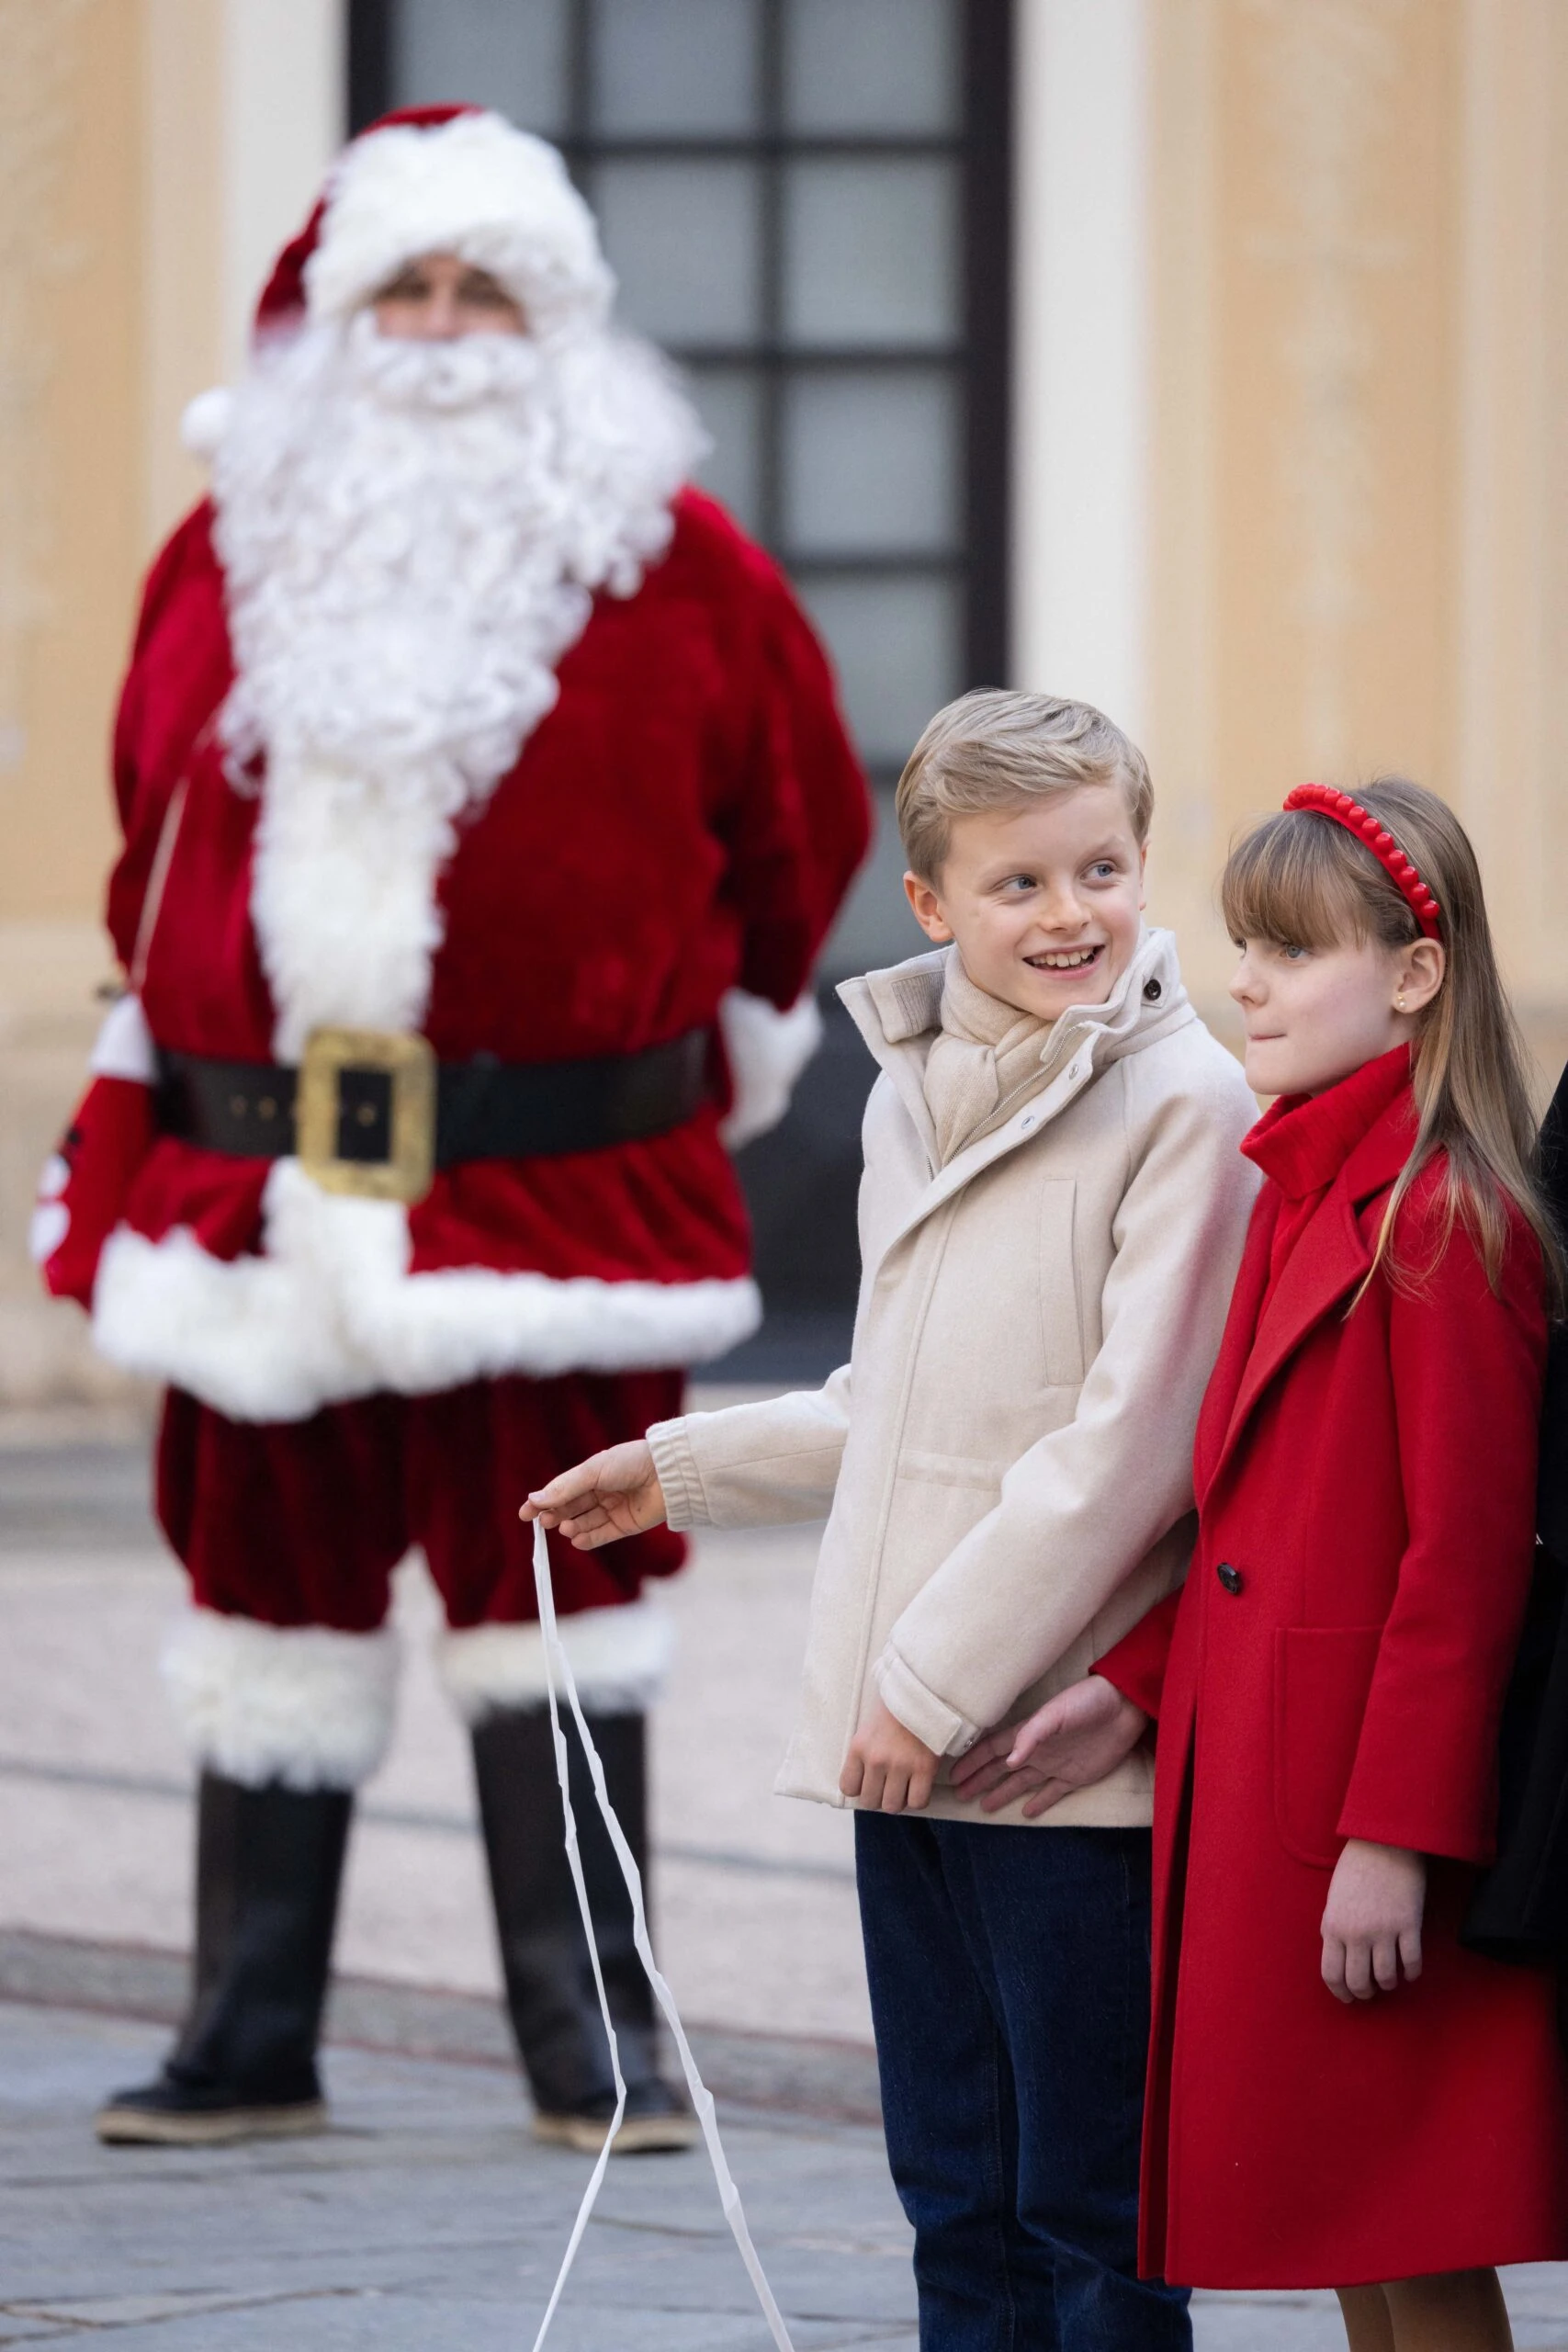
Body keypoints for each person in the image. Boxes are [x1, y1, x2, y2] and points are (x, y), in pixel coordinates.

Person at [30, 105, 868, 2152]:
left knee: (567, 1599)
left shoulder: (687, 569)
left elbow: (801, 834)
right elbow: (149, 824)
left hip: (557, 1178)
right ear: (331, 315)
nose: (439, 325)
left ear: (559, 318)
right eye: (401, 285)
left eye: (483, 285)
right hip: (261, 1178)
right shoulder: (222, 547)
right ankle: (245, 2027)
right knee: (260, 1597)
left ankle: (598, 2029)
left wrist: (717, 1037)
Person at [525, 689, 1259, 2352]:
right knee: (951, 2191)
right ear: (927, 904)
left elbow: (1126, 1447)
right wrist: (681, 1465)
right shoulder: (908, 1090)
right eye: (1017, 885)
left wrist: (924, 1690)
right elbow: (899, 1399)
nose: (1069, 915)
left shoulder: (1183, 1107)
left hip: (1052, 1753)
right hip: (911, 1746)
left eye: (1101, 870)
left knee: (1091, 2206)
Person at [966, 777, 1568, 2350]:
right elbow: (1251, 1528)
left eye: (1291, 951)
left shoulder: (1439, 1221)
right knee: (1352, 2227)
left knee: (1413, 2231)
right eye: (1244, 943)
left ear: (1414, 977)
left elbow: (1463, 1567)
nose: (1246, 981)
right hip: (1266, 1799)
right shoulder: (1302, 1185)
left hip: (1355, 1820)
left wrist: (1392, 1839)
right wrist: (1135, 1692)